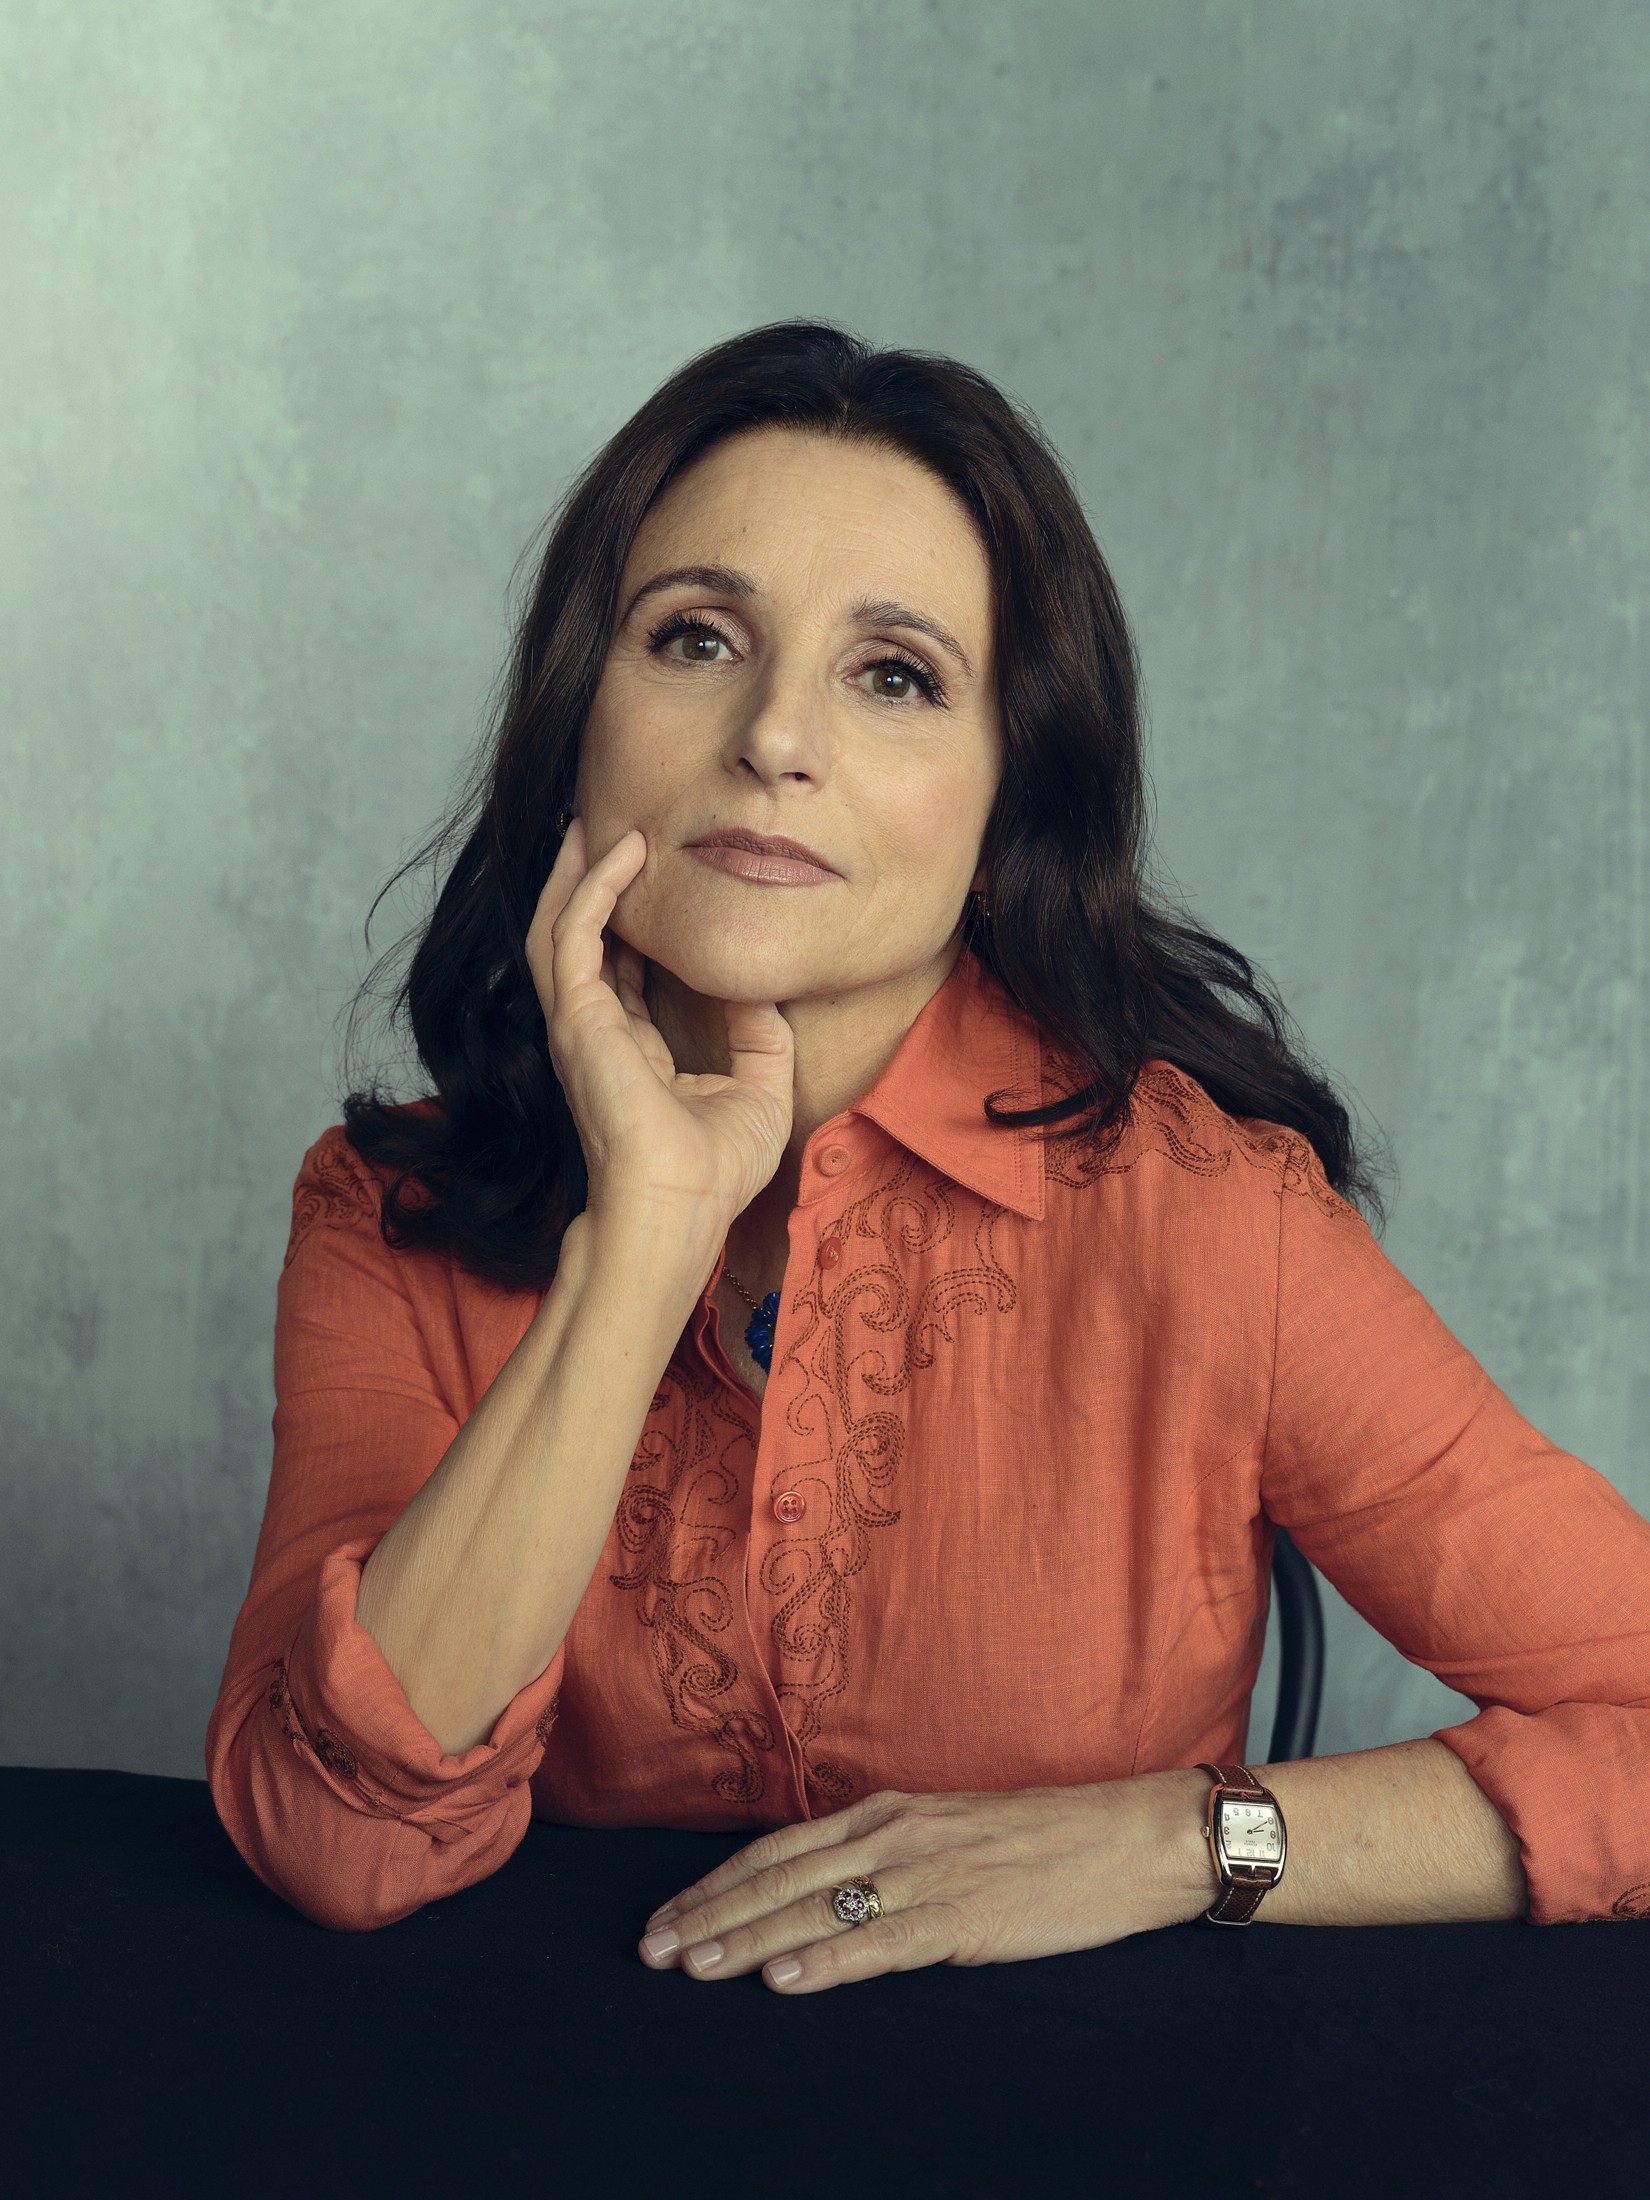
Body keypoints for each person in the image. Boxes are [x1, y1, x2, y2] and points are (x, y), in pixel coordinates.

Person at [206, 322, 1650, 1986]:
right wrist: (644, 1242)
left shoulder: (1207, 1217)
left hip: (1069, 2099)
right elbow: (341, 1843)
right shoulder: (386, 1215)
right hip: (559, 2092)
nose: (774, 736)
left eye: (892, 674)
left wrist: (1177, 1839)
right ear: (573, 724)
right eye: (694, 638)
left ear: (1000, 809)